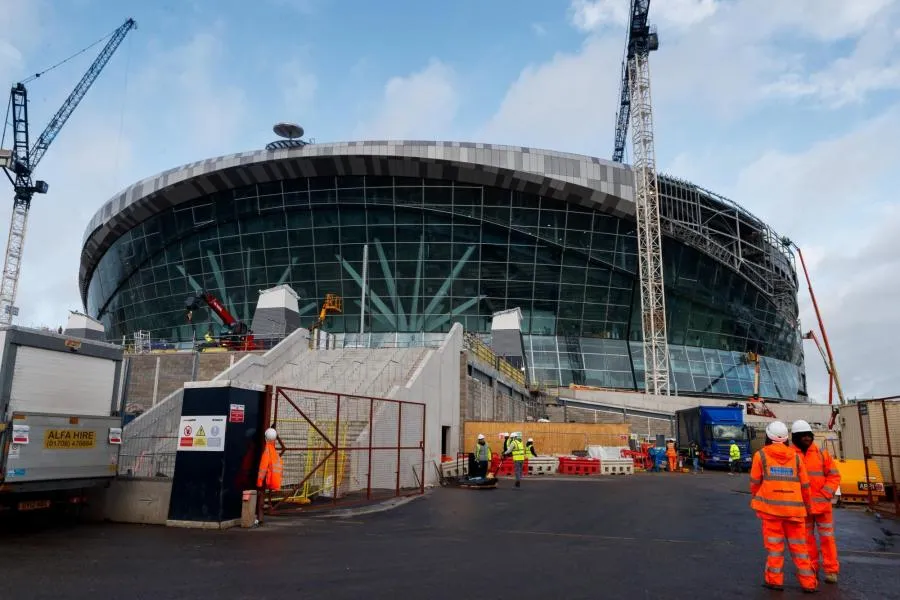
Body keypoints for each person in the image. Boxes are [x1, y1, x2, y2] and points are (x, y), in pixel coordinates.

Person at [749, 421, 818, 593]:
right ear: (787, 438)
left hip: (771, 512)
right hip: (795, 512)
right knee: (800, 549)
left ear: (768, 436)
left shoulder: (761, 456)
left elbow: (755, 483)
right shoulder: (796, 457)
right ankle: (808, 583)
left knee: (774, 549)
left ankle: (775, 580)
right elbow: (805, 486)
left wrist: (760, 499)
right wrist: (808, 508)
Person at [792, 419, 841, 584]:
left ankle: (831, 570)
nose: (807, 438)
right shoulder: (790, 455)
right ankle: (811, 568)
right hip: (803, 507)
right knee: (806, 540)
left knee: (827, 538)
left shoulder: (822, 454)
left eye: (808, 435)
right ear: (795, 437)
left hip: (822, 507)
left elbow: (834, 476)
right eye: (802, 435)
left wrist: (826, 495)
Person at [256, 427, 283, 526]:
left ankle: (260, 514)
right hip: (275, 481)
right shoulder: (274, 452)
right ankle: (262, 511)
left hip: (268, 480)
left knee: (261, 496)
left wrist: (259, 482)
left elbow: (263, 468)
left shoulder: (267, 451)